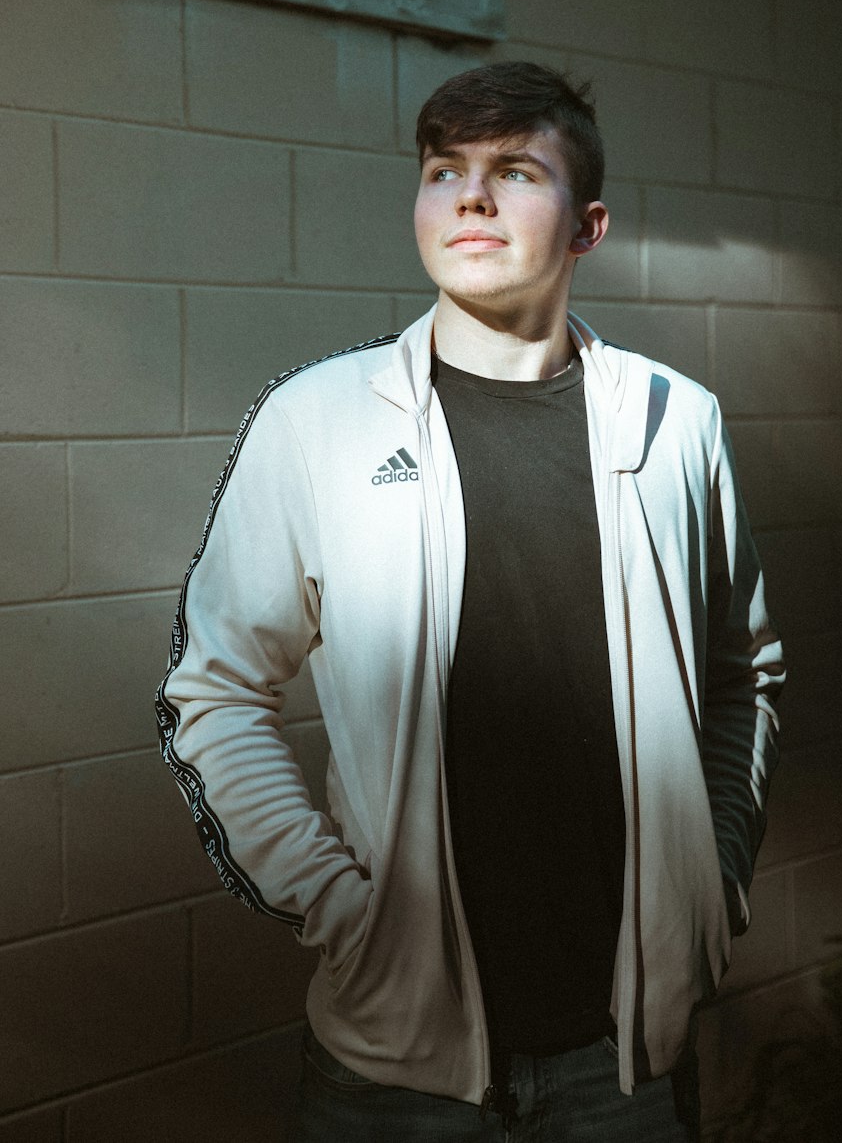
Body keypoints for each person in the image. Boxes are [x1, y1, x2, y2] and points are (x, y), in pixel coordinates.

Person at [156, 61, 784, 1141]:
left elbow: (743, 681)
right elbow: (211, 692)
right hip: (396, 1067)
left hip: (627, 1059)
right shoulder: (317, 421)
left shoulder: (677, 423)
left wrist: (712, 883)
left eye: (512, 170)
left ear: (587, 227)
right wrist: (335, 905)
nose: (471, 197)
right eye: (443, 170)